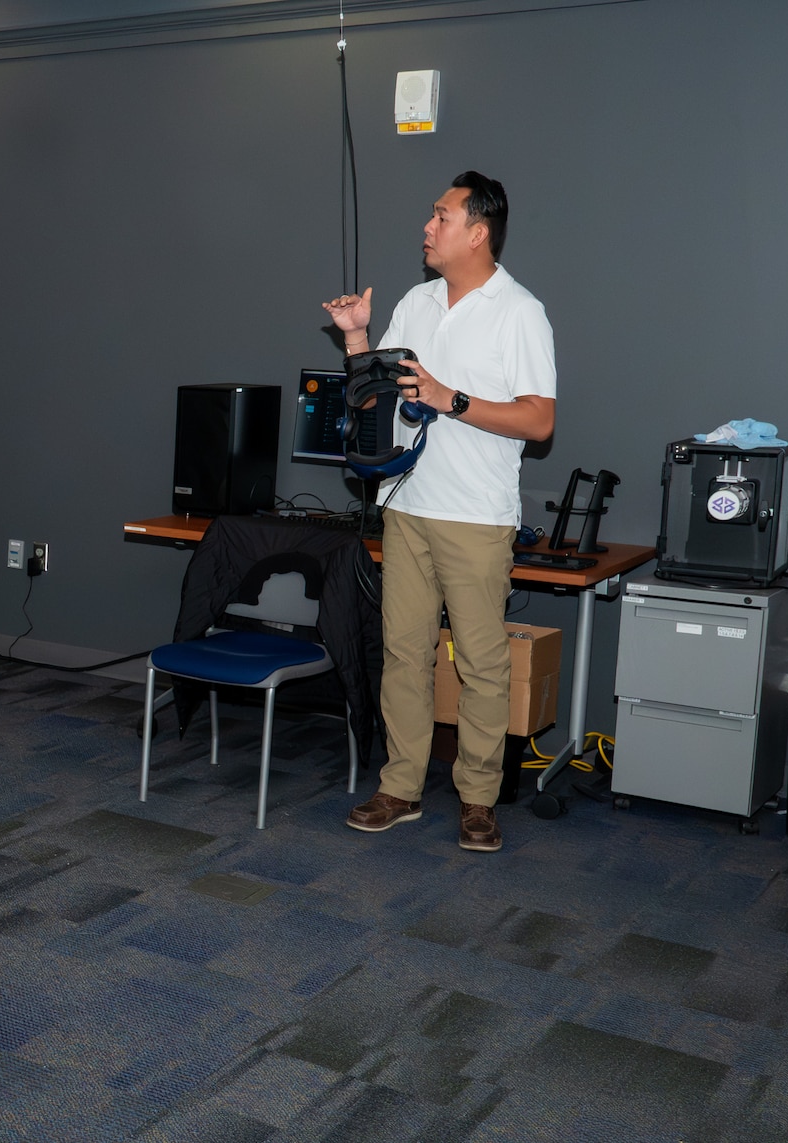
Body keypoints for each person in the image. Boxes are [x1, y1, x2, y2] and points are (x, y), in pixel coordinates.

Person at [321, 171, 556, 853]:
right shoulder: (417, 303)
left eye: (442, 217)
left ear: (478, 233)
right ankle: (401, 787)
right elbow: (371, 398)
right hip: (408, 505)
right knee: (403, 652)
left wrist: (451, 398)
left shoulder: (519, 311)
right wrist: (358, 341)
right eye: (432, 216)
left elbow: (539, 421)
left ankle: (478, 799)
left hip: (477, 516)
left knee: (482, 663)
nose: (428, 227)